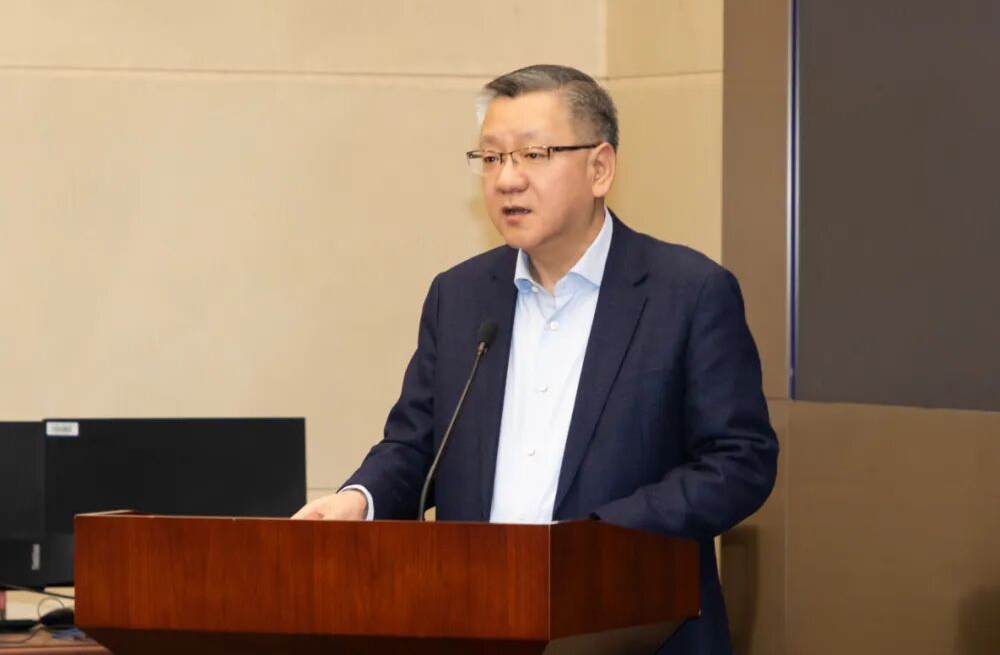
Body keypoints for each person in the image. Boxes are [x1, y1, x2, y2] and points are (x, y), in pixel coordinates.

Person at [293, 64, 778, 654]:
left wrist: (599, 540)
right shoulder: (460, 296)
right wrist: (359, 501)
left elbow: (739, 460)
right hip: (476, 623)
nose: (507, 179)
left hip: (634, 626)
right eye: (491, 157)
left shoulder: (688, 293)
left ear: (600, 168)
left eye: (533, 154)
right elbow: (417, 444)